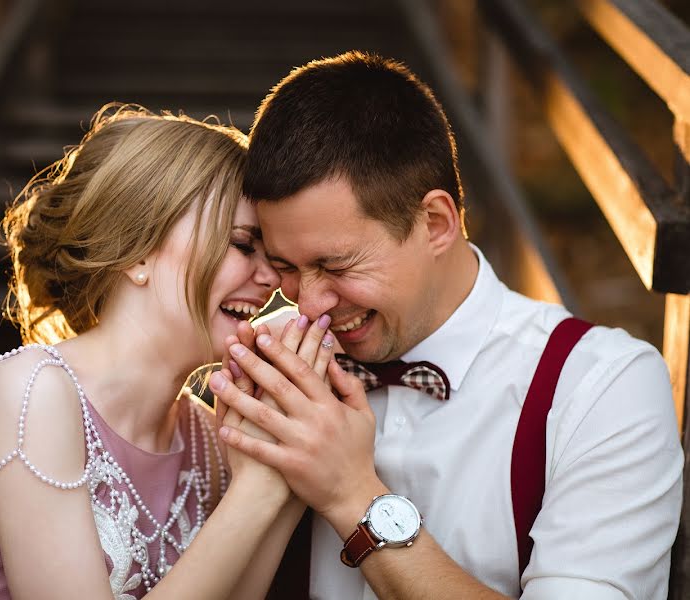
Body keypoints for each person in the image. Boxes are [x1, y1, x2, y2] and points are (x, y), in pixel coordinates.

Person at [212, 52, 683, 599]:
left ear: (435, 223)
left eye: (336, 265)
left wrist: (352, 494)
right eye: (288, 268)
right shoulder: (264, 367)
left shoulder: (600, 388)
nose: (309, 304)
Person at [0, 105, 332, 599]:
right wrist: (257, 491)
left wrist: (283, 470)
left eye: (274, 258)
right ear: (137, 249)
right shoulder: (29, 395)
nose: (271, 281)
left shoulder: (204, 436)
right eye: (244, 245)